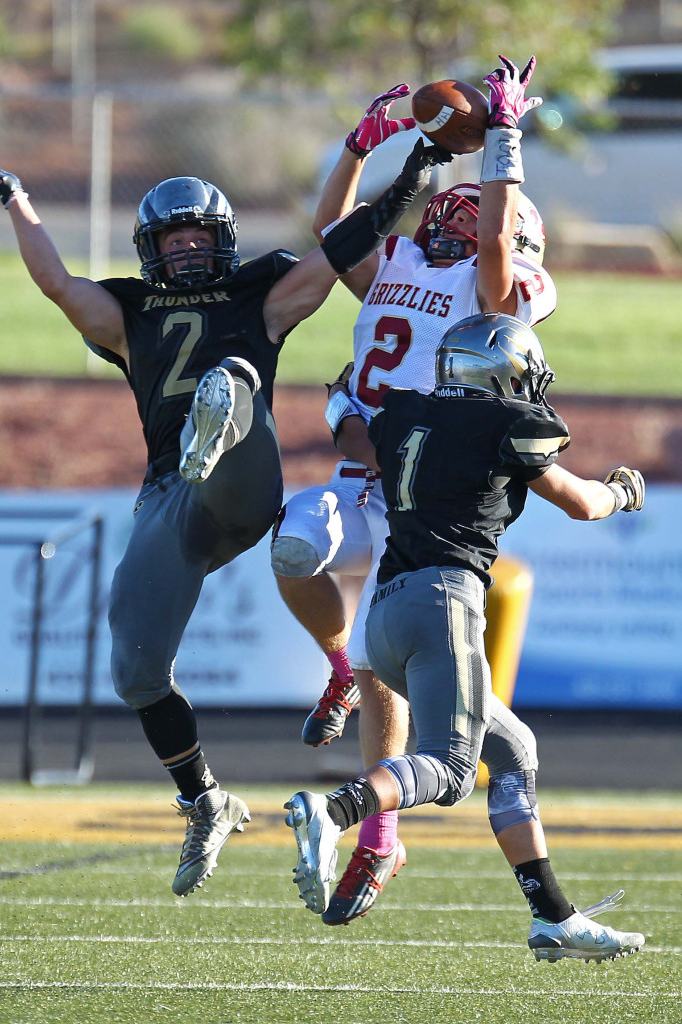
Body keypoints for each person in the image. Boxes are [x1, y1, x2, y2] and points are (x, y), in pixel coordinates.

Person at [0, 135, 444, 897]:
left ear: (222, 241)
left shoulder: (262, 293)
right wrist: (14, 198)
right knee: (136, 672)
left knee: (233, 376)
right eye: (172, 237)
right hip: (170, 499)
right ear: (150, 249)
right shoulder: (127, 310)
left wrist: (410, 176)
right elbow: (54, 281)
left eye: (198, 235)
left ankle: (218, 416)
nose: (186, 247)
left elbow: (340, 245)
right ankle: (205, 800)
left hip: (240, 483)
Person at [271, 57, 556, 924]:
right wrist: (363, 147)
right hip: (361, 482)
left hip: (421, 500)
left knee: (392, 657)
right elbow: (332, 232)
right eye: (448, 208)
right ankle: (336, 672)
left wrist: (504, 140)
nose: (447, 216)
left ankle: (376, 837)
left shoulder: (498, 287)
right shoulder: (395, 257)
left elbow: (500, 248)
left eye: (463, 211)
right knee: (292, 544)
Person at [284, 311, 646, 963]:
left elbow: (352, 436)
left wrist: (339, 397)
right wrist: (621, 493)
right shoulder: (509, 422)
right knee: (451, 771)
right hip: (443, 600)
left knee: (512, 751)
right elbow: (581, 503)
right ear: (502, 370)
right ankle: (335, 811)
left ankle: (552, 917)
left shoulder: (402, 414)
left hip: (387, 615)